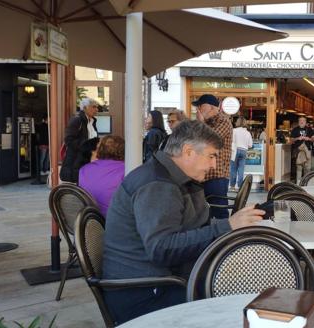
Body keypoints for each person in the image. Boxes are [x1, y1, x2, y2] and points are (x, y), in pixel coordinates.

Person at [102, 120, 264, 324]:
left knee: (244, 282)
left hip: (164, 281)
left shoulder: (174, 178)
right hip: (145, 293)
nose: (214, 164)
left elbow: (195, 226)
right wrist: (228, 226)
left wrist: (231, 231)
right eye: (212, 156)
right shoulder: (158, 185)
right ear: (188, 152)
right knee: (242, 300)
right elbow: (163, 249)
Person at [193, 94, 232, 219]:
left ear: (210, 107)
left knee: (220, 213)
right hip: (203, 175)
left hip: (217, 176)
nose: (197, 110)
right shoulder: (206, 124)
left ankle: (227, 238)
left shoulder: (224, 122)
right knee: (201, 213)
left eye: (200, 106)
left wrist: (200, 123)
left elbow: (209, 141)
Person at [79, 135, 125, 217]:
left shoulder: (84, 169)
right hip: (114, 221)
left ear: (99, 150)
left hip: (88, 221)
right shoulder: (126, 170)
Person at [60, 97, 98, 183]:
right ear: (85, 108)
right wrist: (87, 145)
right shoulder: (77, 120)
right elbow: (68, 140)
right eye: (94, 107)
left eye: (97, 107)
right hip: (76, 160)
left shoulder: (92, 121)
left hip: (87, 159)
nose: (97, 109)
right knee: (78, 183)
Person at [229, 117, 253, 191]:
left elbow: (231, 140)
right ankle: (240, 187)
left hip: (235, 150)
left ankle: (232, 187)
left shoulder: (234, 130)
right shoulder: (248, 133)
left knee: (233, 169)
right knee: (241, 170)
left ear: (237, 122)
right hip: (244, 151)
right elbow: (250, 145)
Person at [290, 116, 314, 184]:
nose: (302, 122)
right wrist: (297, 138)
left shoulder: (310, 129)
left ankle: (306, 183)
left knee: (307, 168)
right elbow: (291, 140)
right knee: (299, 167)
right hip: (299, 150)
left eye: (303, 120)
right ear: (298, 122)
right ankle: (298, 184)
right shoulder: (295, 130)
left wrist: (309, 139)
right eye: (300, 120)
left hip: (307, 150)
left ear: (305, 122)